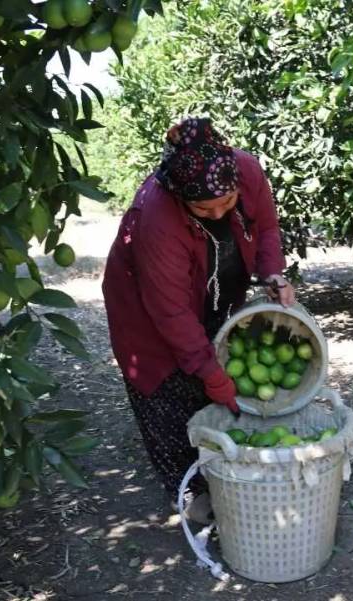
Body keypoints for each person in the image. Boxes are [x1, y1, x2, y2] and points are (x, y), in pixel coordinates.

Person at [102, 117, 295, 522]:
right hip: (146, 310)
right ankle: (186, 487)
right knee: (167, 393)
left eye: (227, 202)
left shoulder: (246, 170)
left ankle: (221, 467)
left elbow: (266, 228)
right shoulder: (156, 217)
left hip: (207, 291)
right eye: (205, 208)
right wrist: (212, 375)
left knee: (209, 370)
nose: (219, 212)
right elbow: (171, 313)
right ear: (180, 196)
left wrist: (273, 273)